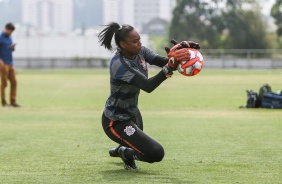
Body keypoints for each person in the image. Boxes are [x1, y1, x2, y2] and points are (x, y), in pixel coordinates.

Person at [98, 22, 199, 170]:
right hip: (115, 122)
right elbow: (147, 86)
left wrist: (184, 55)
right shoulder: (119, 64)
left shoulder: (141, 52)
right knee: (156, 153)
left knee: (142, 147)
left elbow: (165, 62)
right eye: (135, 41)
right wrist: (169, 68)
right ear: (123, 44)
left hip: (133, 113)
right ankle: (124, 152)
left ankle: (124, 152)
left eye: (139, 39)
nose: (140, 43)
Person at [0, 22, 21, 107]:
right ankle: (4, 103)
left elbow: (10, 50)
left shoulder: (10, 37)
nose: (11, 33)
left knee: (14, 82)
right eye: (10, 31)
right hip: (3, 63)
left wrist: (12, 48)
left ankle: (13, 101)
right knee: (4, 83)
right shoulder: (0, 37)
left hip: (11, 63)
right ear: (6, 29)